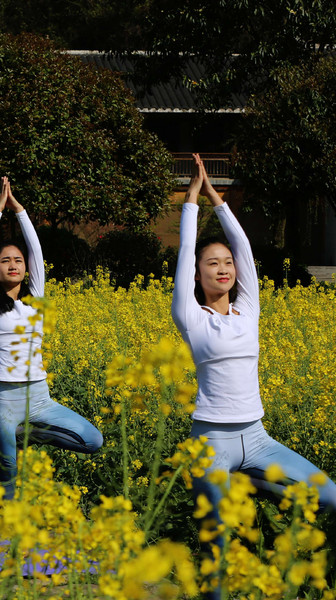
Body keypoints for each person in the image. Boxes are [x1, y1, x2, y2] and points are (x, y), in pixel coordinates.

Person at [172, 155, 336, 599]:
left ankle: (247, 484)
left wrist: (217, 201)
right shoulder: (191, 317)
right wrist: (190, 201)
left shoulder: (250, 311)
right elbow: (185, 253)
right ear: (198, 276)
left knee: (328, 497)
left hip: (257, 437)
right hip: (211, 443)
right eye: (212, 264)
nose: (224, 268)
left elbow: (244, 247)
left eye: (227, 263)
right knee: (216, 555)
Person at [0, 177, 102, 498]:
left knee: (92, 440)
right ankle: (2, 539)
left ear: (27, 268)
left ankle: (24, 434)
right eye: (5, 260)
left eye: (18, 260)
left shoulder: (36, 302)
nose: (13, 264)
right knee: (8, 475)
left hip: (40, 399)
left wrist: (19, 210)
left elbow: (36, 250)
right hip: (5, 401)